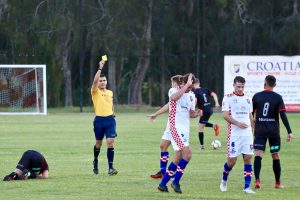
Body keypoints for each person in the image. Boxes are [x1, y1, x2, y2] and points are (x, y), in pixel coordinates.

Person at [157, 73, 202, 193]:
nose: (189, 88)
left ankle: (162, 185)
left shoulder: (192, 96)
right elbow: (173, 98)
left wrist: (196, 113)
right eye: (188, 85)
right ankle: (176, 182)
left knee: (177, 158)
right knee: (188, 155)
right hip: (175, 127)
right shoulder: (174, 90)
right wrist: (186, 85)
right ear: (182, 83)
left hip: (184, 129)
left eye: (191, 86)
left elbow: (190, 113)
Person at [252, 75, 293, 189]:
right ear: (274, 85)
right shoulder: (278, 97)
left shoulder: (257, 96)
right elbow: (283, 115)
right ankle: (277, 183)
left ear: (264, 83)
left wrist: (252, 123)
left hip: (260, 131)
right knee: (275, 155)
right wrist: (289, 131)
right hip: (273, 132)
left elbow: (251, 113)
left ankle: (257, 181)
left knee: (258, 154)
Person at [219, 76, 255, 194]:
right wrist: (238, 123)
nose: (240, 89)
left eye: (242, 87)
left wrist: (253, 130)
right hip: (234, 134)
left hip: (247, 134)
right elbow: (225, 115)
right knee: (231, 161)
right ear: (234, 85)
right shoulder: (228, 98)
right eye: (238, 86)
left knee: (248, 158)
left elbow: (250, 116)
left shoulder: (248, 98)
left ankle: (247, 187)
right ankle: (224, 180)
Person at [148, 75, 183, 179]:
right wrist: (156, 114)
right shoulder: (176, 93)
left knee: (179, 151)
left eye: (172, 82)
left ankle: (174, 172)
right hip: (170, 124)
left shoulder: (174, 91)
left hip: (178, 125)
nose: (171, 85)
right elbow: (168, 105)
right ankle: (163, 171)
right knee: (163, 145)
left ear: (176, 83)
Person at [91, 60, 117, 175]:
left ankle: (111, 168)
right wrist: (100, 68)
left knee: (110, 142)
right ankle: (95, 161)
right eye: (101, 80)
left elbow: (111, 103)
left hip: (110, 120)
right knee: (99, 143)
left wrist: (113, 113)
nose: (102, 82)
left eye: (104, 80)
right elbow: (95, 81)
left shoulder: (110, 92)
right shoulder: (94, 91)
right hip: (99, 120)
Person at [193, 78, 220, 149]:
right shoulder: (205, 89)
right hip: (209, 109)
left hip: (204, 110)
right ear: (199, 83)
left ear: (193, 84)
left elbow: (195, 100)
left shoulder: (195, 91)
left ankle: (202, 146)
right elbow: (214, 94)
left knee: (200, 128)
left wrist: (192, 108)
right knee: (201, 124)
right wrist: (217, 103)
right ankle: (214, 126)